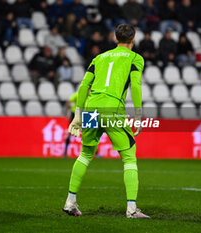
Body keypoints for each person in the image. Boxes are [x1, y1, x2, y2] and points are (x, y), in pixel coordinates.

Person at [63, 24, 149, 218]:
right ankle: (132, 208)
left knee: (85, 153)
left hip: (92, 107)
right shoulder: (136, 58)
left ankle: (70, 202)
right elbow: (135, 84)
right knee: (129, 155)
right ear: (133, 39)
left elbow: (85, 85)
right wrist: (138, 115)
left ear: (115, 39)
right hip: (112, 109)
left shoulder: (99, 58)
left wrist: (78, 114)